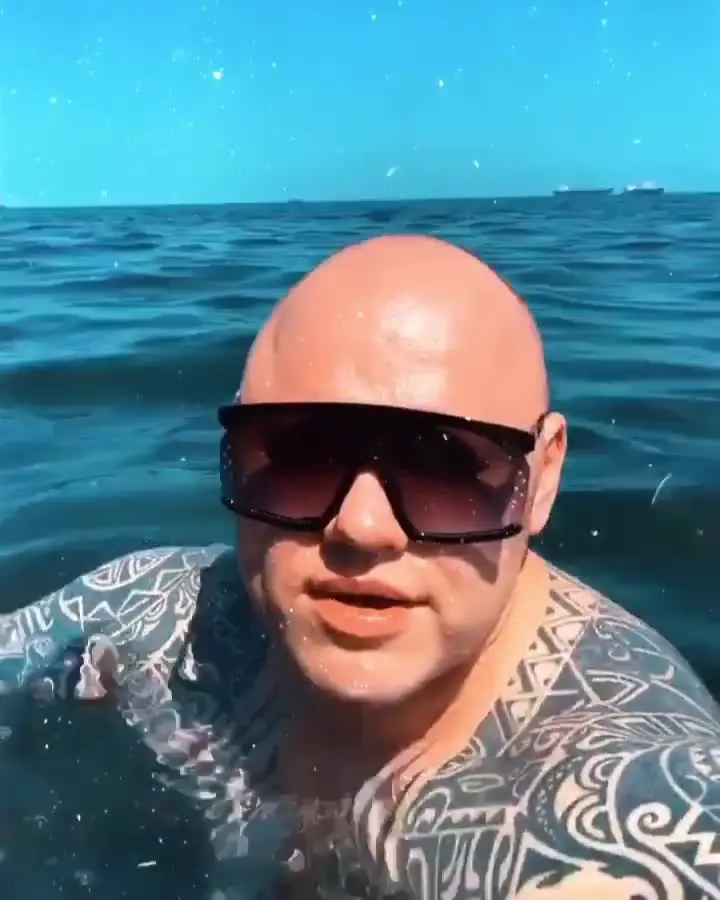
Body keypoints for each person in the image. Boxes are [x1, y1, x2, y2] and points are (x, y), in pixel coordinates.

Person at [1, 234, 719, 900]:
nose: (362, 529)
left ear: (544, 478)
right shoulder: (164, 613)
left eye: (446, 464)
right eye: (301, 455)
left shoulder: (625, 812)